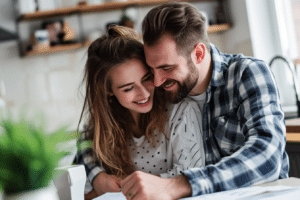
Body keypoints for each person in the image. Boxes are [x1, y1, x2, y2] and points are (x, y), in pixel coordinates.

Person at [119, 2, 289, 200]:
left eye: (167, 68)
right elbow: (104, 124)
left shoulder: (246, 73)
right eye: (152, 69)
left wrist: (178, 185)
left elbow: (268, 156)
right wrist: (98, 177)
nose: (156, 82)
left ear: (198, 54)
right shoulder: (165, 89)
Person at [74, 25, 205, 199]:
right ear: (108, 91)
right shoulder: (105, 123)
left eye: (147, 79)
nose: (143, 93)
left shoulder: (181, 111)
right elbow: (82, 154)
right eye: (128, 88)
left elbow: (192, 177)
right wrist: (97, 176)